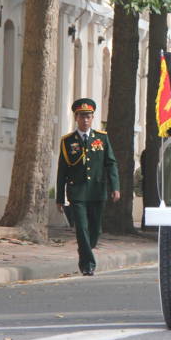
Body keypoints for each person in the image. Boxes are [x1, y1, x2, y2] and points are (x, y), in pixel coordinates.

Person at [56, 98, 121, 276]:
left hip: (97, 191)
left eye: (89, 116)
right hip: (77, 192)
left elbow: (111, 163)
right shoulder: (67, 141)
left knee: (95, 230)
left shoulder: (102, 138)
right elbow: (62, 171)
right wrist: (60, 198)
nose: (85, 120)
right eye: (82, 116)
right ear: (76, 118)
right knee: (82, 228)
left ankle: (85, 250)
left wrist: (115, 187)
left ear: (93, 118)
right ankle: (88, 264)